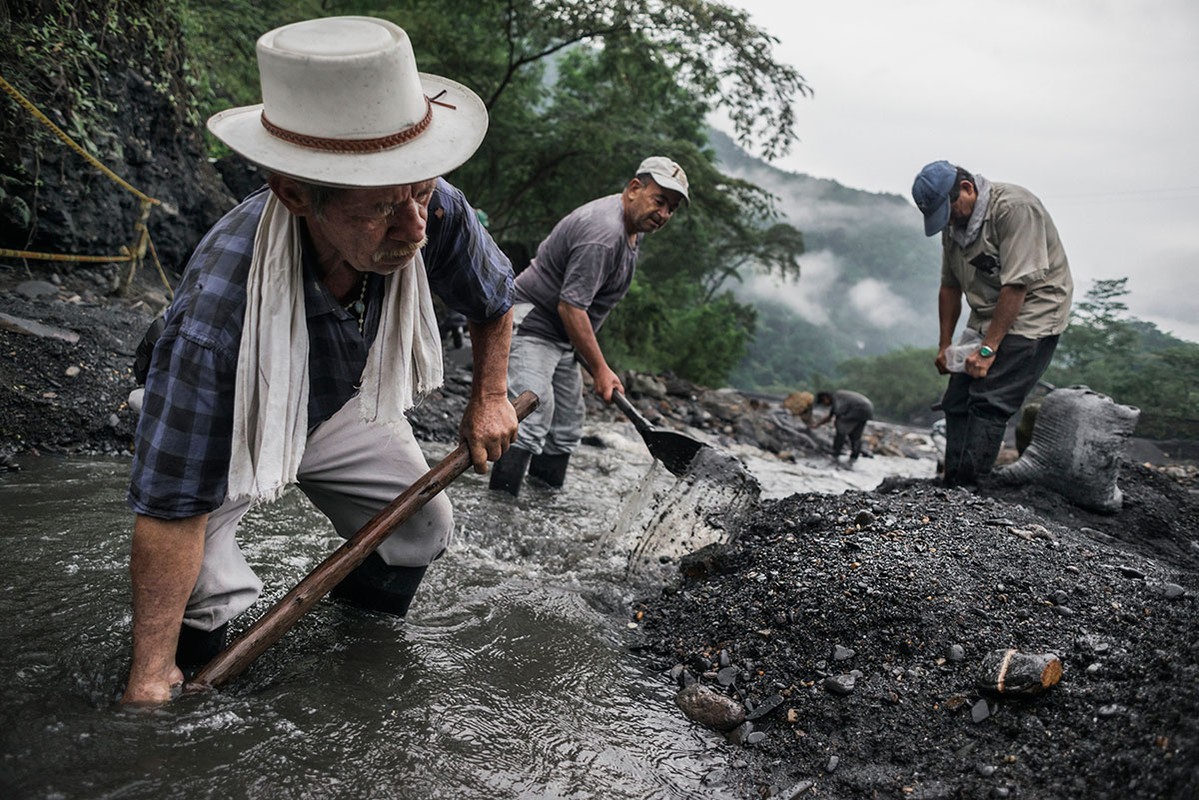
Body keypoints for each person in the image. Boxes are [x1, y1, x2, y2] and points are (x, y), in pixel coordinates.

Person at [122, 17, 519, 705]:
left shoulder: (428, 205)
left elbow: (493, 299)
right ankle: (184, 685)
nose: (413, 230)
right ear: (295, 195)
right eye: (379, 210)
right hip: (232, 408)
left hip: (334, 394)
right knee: (209, 591)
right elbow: (168, 508)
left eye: (420, 194)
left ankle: (353, 660)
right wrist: (147, 675)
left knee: (422, 524)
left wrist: (489, 395)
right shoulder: (213, 322)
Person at [487, 157, 690, 496]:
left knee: (566, 428)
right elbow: (571, 306)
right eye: (659, 201)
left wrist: (592, 360)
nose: (664, 214)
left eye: (672, 208)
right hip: (532, 324)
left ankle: (541, 509)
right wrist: (600, 369)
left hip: (563, 338)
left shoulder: (630, 230)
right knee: (531, 418)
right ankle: (499, 511)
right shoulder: (604, 233)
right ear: (634, 189)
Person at [911, 160, 1072, 487]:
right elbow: (949, 286)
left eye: (951, 210)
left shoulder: (1014, 208)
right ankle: (951, 483)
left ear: (967, 188)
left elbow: (1017, 286)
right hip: (989, 311)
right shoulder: (954, 225)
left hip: (1033, 312)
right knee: (956, 399)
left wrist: (988, 349)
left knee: (989, 400)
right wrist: (945, 345)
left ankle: (970, 491)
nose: (949, 220)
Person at [810, 389, 874, 465]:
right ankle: (854, 456)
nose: (825, 405)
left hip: (858, 409)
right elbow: (830, 416)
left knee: (840, 427)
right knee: (856, 435)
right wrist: (817, 425)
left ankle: (836, 452)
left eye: (823, 402)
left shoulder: (837, 398)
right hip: (868, 409)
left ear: (825, 397)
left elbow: (838, 413)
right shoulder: (838, 398)